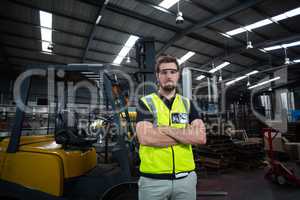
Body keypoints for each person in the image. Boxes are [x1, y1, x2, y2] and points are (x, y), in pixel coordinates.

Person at [136, 55, 206, 200]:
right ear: (157, 76)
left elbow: (200, 137)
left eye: (173, 72)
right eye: (164, 72)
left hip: (185, 181)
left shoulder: (187, 104)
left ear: (178, 75)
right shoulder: (145, 103)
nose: (169, 76)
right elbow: (146, 138)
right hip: (153, 182)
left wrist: (165, 129)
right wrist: (186, 136)